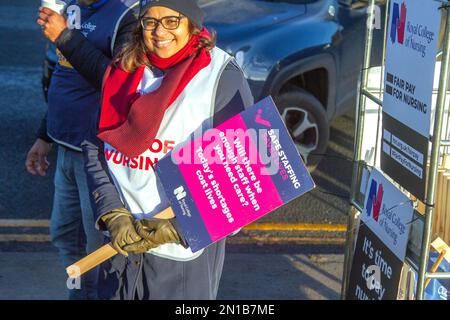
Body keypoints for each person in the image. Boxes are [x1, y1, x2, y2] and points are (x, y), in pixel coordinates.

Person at [82, 0, 254, 300]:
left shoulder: (220, 75)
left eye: (172, 21)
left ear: (191, 24)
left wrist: (179, 227)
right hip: (121, 247)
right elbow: (94, 144)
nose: (160, 31)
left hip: (182, 260)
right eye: (150, 21)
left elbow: (245, 176)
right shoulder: (125, 67)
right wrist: (112, 213)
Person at [25, 0, 139, 299]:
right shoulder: (72, 6)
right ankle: (79, 294)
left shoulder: (127, 13)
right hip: (64, 144)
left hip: (96, 155)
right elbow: (64, 78)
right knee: (64, 234)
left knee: (98, 246)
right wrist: (44, 134)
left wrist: (65, 37)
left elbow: (120, 83)